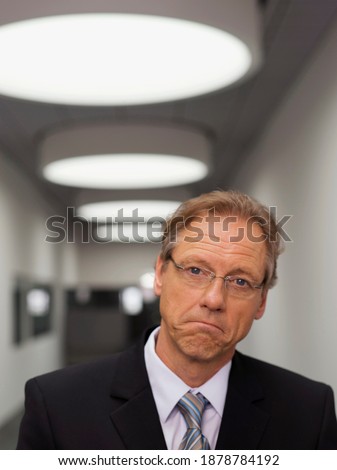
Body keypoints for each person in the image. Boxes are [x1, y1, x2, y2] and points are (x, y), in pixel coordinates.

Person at [17, 190, 337, 449]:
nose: (213, 300)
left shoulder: (307, 411)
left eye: (240, 281)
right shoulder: (57, 406)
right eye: (195, 271)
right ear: (160, 274)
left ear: (262, 301)